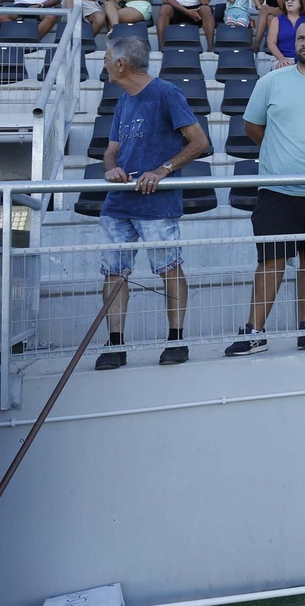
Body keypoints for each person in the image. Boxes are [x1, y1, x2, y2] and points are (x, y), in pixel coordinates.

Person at [225, 20, 305, 356]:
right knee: (271, 260)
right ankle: (254, 331)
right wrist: (282, 152)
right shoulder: (271, 82)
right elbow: (253, 127)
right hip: (277, 188)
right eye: (300, 38)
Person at [94, 35, 208, 370]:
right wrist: (111, 168)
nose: (103, 65)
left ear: (120, 64)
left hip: (157, 202)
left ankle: (176, 340)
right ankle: (115, 344)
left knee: (168, 268)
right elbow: (111, 149)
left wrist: (162, 170)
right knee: (113, 273)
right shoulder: (123, 101)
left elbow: (199, 141)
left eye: (106, 59)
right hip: (119, 202)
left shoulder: (166, 93)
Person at [266, 0, 305, 68]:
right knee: (284, 67)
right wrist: (282, 59)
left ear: (301, 2)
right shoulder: (276, 20)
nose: (289, 1)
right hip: (282, 58)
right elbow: (271, 43)